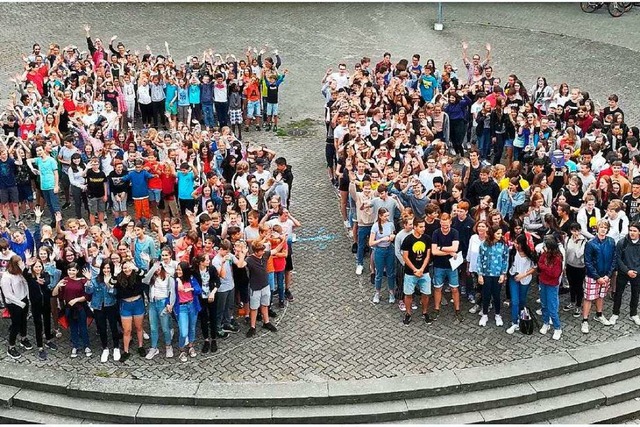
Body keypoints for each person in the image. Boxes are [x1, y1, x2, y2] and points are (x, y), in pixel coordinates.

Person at [582, 219, 616, 333]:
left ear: (607, 229)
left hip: (606, 276)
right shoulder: (590, 243)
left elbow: (614, 259)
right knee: (588, 298)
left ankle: (599, 315)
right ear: (597, 228)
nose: (603, 230)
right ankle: (585, 320)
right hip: (593, 276)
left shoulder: (611, 242)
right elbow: (588, 262)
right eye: (601, 227)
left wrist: (608, 275)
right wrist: (597, 277)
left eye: (605, 228)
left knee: (601, 296)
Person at [52, 261, 91, 358]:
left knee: (83, 327)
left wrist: (76, 299)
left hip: (81, 308)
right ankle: (75, 346)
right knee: (73, 328)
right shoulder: (65, 280)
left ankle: (86, 346)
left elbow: (88, 296)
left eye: (73, 270)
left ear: (77, 271)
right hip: (69, 309)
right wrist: (58, 285)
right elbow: (54, 294)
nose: (71, 272)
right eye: (69, 270)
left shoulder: (83, 281)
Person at [84, 258, 120, 362]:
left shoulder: (114, 278)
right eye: (104, 268)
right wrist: (89, 280)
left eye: (108, 268)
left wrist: (110, 282)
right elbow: (89, 291)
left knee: (114, 327)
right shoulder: (96, 279)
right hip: (98, 307)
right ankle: (105, 348)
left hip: (111, 305)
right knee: (102, 328)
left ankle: (116, 348)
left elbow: (114, 293)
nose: (106, 270)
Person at [246, 240, 281, 337]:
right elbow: (241, 265)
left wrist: (283, 240)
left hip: (265, 285)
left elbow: (276, 250)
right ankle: (252, 326)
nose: (262, 252)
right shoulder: (249, 260)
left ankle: (266, 322)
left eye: (263, 250)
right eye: (260, 251)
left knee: (265, 305)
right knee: (254, 308)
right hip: (255, 288)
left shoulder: (265, 254)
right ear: (255, 251)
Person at [431, 213, 463, 322]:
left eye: (447, 225)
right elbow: (434, 252)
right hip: (439, 265)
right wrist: (450, 253)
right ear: (440, 223)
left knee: (454, 288)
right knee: (437, 288)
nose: (445, 227)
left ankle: (457, 310)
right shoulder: (436, 233)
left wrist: (441, 248)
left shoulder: (455, 232)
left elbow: (455, 247)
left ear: (450, 222)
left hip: (452, 266)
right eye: (443, 225)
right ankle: (436, 309)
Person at [401, 217, 433, 325]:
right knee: (408, 294)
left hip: (424, 271)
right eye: (421, 227)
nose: (423, 229)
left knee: (426, 293)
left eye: (424, 226)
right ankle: (408, 313)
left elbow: (428, 256)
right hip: (410, 273)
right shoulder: (408, 240)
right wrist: (415, 270)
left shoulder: (427, 238)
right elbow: (405, 257)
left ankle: (425, 312)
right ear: (414, 227)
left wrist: (422, 269)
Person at [477, 225, 509, 327]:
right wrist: (480, 274)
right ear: (492, 233)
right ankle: (485, 314)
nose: (500, 235)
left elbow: (505, 260)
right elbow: (479, 260)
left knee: (496, 295)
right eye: (498, 233)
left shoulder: (503, 245)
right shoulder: (483, 245)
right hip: (486, 274)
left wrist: (503, 274)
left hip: (497, 274)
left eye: (501, 233)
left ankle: (497, 314)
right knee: (486, 294)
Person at [1, 255, 32, 359]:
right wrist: (19, 303)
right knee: (16, 324)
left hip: (23, 299)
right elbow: (8, 294)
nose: (21, 264)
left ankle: (23, 338)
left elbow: (25, 284)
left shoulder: (19, 272)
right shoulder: (6, 277)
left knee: (24, 321)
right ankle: (11, 346)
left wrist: (26, 298)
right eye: (19, 263)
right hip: (14, 303)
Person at [506, 234, 537, 334]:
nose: (515, 244)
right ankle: (514, 322)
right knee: (515, 300)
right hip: (513, 277)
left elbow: (535, 267)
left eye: (517, 243)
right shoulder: (512, 252)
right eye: (515, 242)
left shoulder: (530, 253)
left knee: (522, 300)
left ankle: (521, 318)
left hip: (525, 279)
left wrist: (524, 275)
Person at [611, 222, 640, 326]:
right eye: (630, 230)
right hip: (624, 272)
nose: (632, 233)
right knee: (618, 293)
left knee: (635, 294)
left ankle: (633, 314)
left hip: (637, 273)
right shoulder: (622, 243)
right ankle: (615, 313)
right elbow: (618, 259)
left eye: (634, 231)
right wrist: (627, 271)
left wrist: (635, 271)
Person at [174, 261, 201, 362]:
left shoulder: (191, 279)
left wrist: (191, 289)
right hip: (181, 308)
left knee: (192, 328)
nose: (178, 271)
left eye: (180, 269)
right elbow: (171, 294)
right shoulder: (175, 280)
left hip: (192, 305)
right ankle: (181, 349)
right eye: (177, 269)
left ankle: (190, 346)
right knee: (183, 332)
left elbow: (199, 290)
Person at [538, 236, 564, 340]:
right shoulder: (545, 254)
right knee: (544, 304)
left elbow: (555, 273)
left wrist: (545, 268)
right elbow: (539, 263)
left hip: (552, 285)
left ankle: (557, 328)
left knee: (552, 308)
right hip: (543, 282)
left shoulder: (557, 258)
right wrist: (546, 268)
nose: (544, 248)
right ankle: (546, 322)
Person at [369, 208, 396, 304]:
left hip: (389, 250)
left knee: (390, 272)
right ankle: (377, 292)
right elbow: (371, 243)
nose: (387, 217)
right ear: (380, 216)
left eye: (388, 215)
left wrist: (392, 237)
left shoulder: (390, 224)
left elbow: (392, 235)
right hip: (379, 250)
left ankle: (391, 292)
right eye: (385, 216)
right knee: (379, 273)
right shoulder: (375, 226)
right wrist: (381, 240)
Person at [564, 223, 587, 318]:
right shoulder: (568, 239)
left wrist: (577, 243)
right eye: (573, 230)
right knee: (571, 285)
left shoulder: (583, 241)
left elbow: (579, 254)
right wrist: (564, 266)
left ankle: (578, 305)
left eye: (577, 230)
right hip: (570, 265)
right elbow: (565, 252)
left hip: (580, 267)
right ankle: (572, 302)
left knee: (579, 286)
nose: (575, 233)